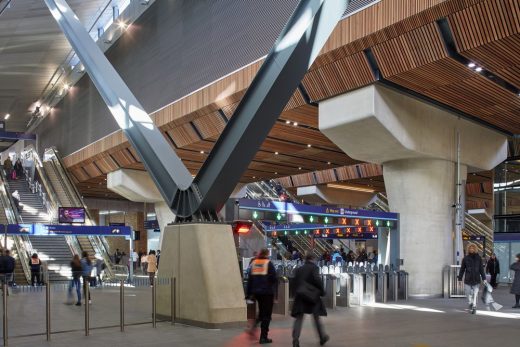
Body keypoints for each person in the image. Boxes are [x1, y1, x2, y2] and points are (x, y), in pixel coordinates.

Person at [291, 252, 329, 347]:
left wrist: (296, 292)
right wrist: (322, 291)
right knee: (316, 318)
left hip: (300, 296)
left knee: (299, 318)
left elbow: (294, 282)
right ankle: (322, 338)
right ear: (312, 259)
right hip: (312, 296)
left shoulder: (298, 269)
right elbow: (317, 280)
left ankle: (295, 340)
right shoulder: (314, 268)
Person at [246, 248, 278, 344]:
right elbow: (274, 278)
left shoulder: (254, 263)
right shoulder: (268, 263)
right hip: (267, 293)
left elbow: (250, 279)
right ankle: (263, 337)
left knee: (262, 313)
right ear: (267, 254)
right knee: (267, 315)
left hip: (257, 293)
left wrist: (248, 294)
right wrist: (274, 291)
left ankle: (253, 328)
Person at [458, 243, 486, 314]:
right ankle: (470, 302)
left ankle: (474, 306)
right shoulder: (465, 258)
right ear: (468, 249)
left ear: (475, 249)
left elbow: (481, 269)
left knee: (475, 294)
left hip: (476, 279)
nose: (471, 249)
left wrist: (484, 278)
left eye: (473, 248)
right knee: (467, 292)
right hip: (468, 279)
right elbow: (462, 269)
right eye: (470, 248)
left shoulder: (479, 258)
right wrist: (460, 279)